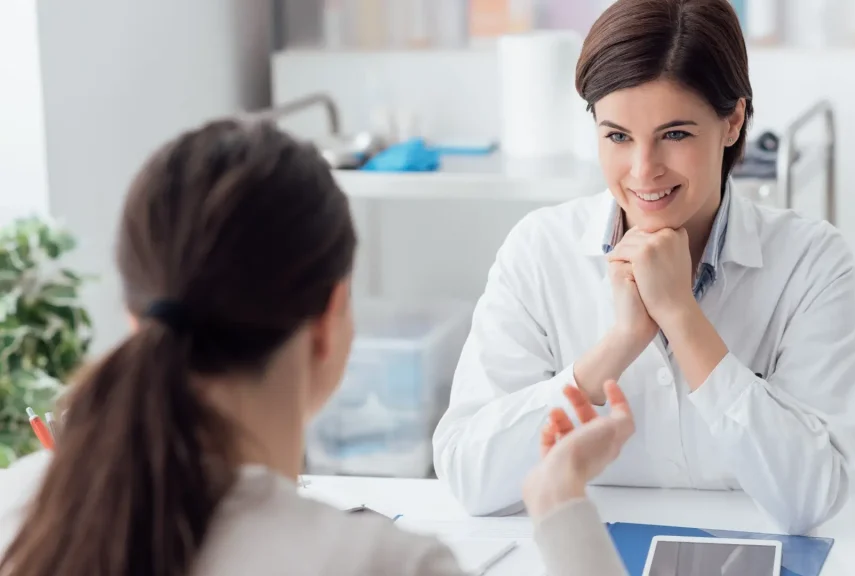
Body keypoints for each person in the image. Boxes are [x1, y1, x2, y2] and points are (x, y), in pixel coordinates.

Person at [0, 120, 633, 576]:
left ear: (134, 317)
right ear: (330, 319)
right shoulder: (381, 563)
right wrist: (561, 506)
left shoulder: (20, 508)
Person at [433, 0, 855, 535]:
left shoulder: (811, 261)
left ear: (733, 121)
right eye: (618, 136)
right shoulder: (538, 250)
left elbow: (812, 499)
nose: (643, 171)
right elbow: (469, 478)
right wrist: (618, 346)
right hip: (591, 552)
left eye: (675, 134)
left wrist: (681, 317)